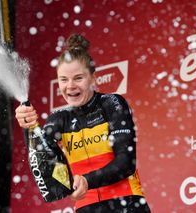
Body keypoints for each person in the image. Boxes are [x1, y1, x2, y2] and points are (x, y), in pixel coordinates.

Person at [15, 33, 151, 213]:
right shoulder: (58, 119)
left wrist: (87, 180)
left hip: (127, 204)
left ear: (93, 78)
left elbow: (125, 162)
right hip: (86, 208)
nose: (70, 86)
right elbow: (43, 166)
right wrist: (29, 127)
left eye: (78, 78)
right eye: (64, 80)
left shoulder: (111, 104)